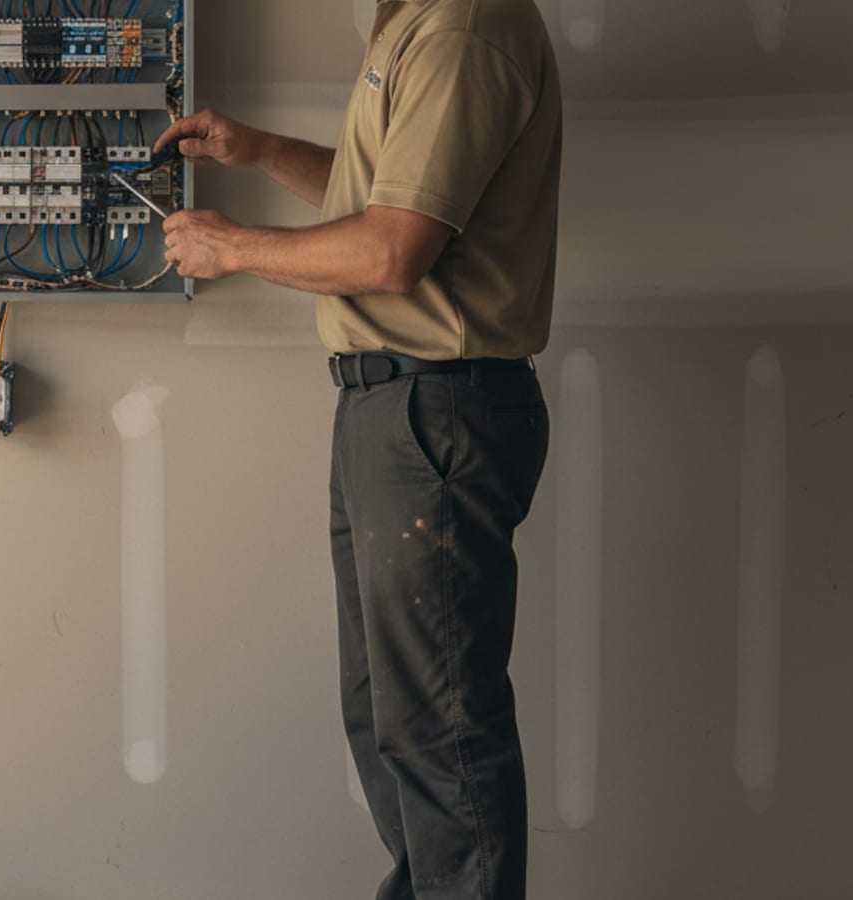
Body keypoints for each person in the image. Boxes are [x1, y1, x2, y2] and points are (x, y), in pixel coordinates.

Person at [154, 1, 562, 897]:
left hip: (435, 409)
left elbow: (390, 253)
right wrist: (258, 151)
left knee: (440, 728)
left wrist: (233, 248)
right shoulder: (414, 20)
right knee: (387, 714)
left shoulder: (464, 27)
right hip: (393, 407)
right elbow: (397, 197)